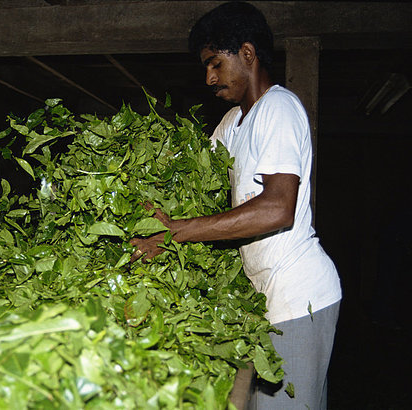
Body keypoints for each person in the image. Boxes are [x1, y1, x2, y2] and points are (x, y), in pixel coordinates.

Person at [130, 2, 342, 409]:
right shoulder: (232, 123)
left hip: (299, 298)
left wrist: (174, 231)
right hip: (265, 297)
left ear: (247, 54)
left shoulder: (278, 109)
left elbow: (276, 208)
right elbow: (192, 175)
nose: (209, 77)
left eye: (215, 63)